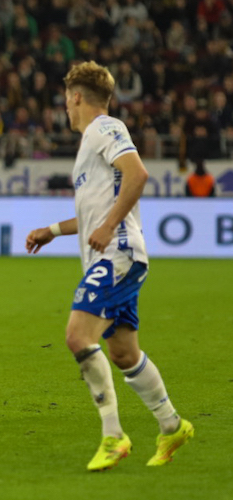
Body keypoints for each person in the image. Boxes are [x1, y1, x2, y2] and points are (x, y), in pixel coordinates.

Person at [25, 61, 193, 471]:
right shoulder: (91, 142)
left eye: (66, 99)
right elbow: (94, 214)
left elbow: (137, 174)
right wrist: (52, 230)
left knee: (77, 336)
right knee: (123, 353)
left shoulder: (104, 127)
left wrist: (109, 225)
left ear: (75, 97)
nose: (66, 108)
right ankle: (172, 425)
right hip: (112, 254)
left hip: (117, 253)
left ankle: (113, 435)